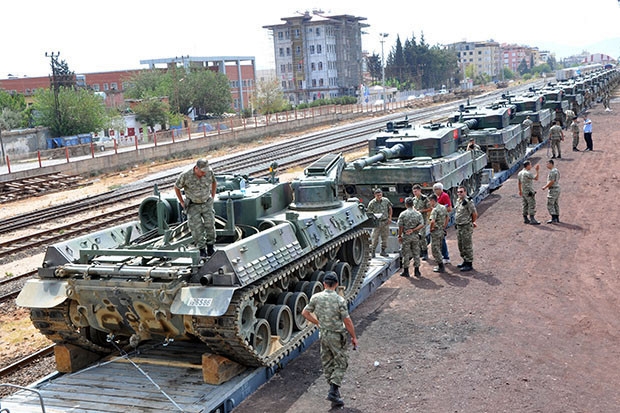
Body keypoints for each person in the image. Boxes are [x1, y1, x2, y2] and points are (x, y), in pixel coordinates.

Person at [302, 272, 358, 408]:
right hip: (337, 335)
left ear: (324, 284)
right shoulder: (339, 300)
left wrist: (317, 322)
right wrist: (354, 337)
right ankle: (333, 390)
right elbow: (347, 320)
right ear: (337, 284)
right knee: (342, 362)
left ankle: (334, 393)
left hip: (323, 334)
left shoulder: (316, 297)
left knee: (327, 362)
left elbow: (305, 313)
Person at [174, 158, 218, 258]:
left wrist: (213, 196)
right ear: (196, 168)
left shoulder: (209, 172)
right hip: (193, 205)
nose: (204, 173)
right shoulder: (186, 175)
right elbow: (177, 187)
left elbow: (214, 182)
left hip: (206, 203)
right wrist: (181, 201)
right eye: (202, 171)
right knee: (196, 229)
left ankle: (210, 247)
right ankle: (202, 249)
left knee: (210, 225)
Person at [397, 197, 424, 277]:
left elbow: (400, 226)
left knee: (406, 253)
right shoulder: (418, 213)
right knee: (416, 253)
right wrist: (413, 229)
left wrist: (399, 236)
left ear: (406, 204)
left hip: (406, 236)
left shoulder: (403, 214)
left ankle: (406, 271)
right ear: (413, 204)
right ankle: (417, 271)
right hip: (415, 236)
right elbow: (422, 225)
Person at [454, 185, 477, 272]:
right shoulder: (458, 201)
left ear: (465, 192)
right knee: (461, 245)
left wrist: (472, 222)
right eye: (458, 192)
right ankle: (465, 260)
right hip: (459, 226)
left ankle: (469, 263)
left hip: (466, 226)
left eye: (461, 192)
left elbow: (474, 213)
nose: (459, 193)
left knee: (467, 245)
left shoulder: (468, 202)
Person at [366, 188, 393, 258]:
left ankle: (383, 251)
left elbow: (390, 208)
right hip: (376, 223)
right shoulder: (372, 203)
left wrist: (390, 217)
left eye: (380, 195)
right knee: (374, 238)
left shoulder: (386, 200)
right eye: (378, 195)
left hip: (385, 222)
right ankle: (373, 251)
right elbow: (369, 213)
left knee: (385, 237)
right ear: (375, 195)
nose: (379, 197)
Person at [428, 193, 449, 273]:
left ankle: (441, 266)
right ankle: (441, 265)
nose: (430, 203)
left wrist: (431, 228)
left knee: (435, 249)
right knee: (439, 247)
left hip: (436, 231)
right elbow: (448, 217)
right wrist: (444, 226)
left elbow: (432, 221)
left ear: (433, 201)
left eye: (430, 201)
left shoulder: (435, 210)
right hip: (441, 230)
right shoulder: (443, 207)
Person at [433, 183, 452, 264]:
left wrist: (440, 211)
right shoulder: (438, 196)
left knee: (442, 239)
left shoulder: (444, 196)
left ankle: (446, 257)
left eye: (435, 190)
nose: (434, 191)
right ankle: (442, 255)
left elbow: (449, 208)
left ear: (440, 189)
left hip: (442, 220)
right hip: (438, 220)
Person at [517, 160, 541, 225]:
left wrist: (520, 191)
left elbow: (519, 183)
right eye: (530, 165)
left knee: (525, 204)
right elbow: (536, 178)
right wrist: (537, 170)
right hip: (529, 191)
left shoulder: (520, 173)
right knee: (531, 204)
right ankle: (532, 219)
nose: (531, 166)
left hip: (523, 191)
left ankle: (525, 218)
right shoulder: (527, 173)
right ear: (527, 166)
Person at [411, 184, 431, 260]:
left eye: (416, 191)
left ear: (420, 191)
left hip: (423, 220)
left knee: (422, 236)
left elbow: (430, 208)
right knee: (417, 236)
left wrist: (421, 211)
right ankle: (420, 252)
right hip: (416, 221)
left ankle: (425, 252)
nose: (415, 193)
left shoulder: (424, 198)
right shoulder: (413, 199)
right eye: (414, 192)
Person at [542, 159, 561, 224]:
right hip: (557, 188)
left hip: (553, 189)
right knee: (555, 203)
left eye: (547, 164)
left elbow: (552, 181)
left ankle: (553, 218)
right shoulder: (556, 170)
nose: (546, 165)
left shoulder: (552, 172)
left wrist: (545, 187)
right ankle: (557, 217)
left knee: (550, 204)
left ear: (551, 164)